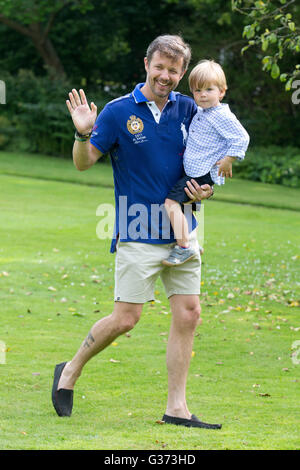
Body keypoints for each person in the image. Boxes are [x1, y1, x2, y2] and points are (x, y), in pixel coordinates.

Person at [51, 35, 222, 429]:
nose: (166, 75)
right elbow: (83, 163)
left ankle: (176, 408)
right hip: (137, 229)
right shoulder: (116, 111)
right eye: (159, 66)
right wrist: (82, 133)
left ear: (182, 73)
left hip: (184, 231)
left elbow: (205, 164)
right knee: (126, 318)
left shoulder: (190, 110)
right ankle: (70, 369)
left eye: (174, 70)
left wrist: (206, 187)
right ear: (146, 63)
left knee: (189, 313)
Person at [162, 59, 250, 267]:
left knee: (171, 203)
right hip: (194, 169)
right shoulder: (203, 111)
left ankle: (184, 248)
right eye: (197, 90)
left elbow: (242, 137)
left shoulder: (221, 115)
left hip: (201, 171)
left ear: (221, 92)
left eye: (209, 89)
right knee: (185, 207)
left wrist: (229, 160)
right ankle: (194, 241)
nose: (202, 95)